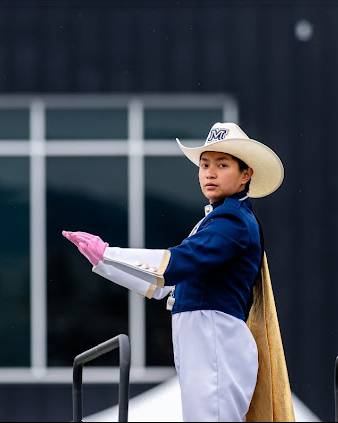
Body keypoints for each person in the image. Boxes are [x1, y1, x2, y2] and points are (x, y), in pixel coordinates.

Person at [62, 122, 294, 422]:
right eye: (205, 164)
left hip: (216, 340)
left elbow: (175, 265)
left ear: (245, 174)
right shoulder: (217, 221)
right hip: (205, 341)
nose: (209, 172)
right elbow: (164, 285)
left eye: (222, 165)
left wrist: (107, 255)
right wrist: (105, 263)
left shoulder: (233, 223)